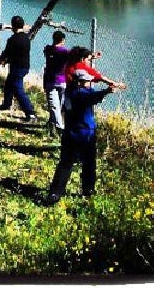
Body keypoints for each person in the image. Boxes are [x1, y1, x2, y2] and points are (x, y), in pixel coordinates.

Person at [45, 69, 125, 205]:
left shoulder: (70, 91)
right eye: (87, 81)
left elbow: (92, 95)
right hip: (83, 134)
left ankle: (56, 192)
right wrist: (106, 91)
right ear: (79, 82)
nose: (89, 83)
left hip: (73, 133)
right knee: (82, 163)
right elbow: (91, 97)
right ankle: (85, 190)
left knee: (69, 163)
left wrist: (107, 89)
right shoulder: (78, 94)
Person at [0, 15, 37, 121]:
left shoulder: (13, 39)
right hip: (24, 66)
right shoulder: (26, 38)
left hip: (17, 68)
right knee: (8, 85)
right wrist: (8, 60)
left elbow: (5, 54)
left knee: (18, 90)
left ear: (12, 26)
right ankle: (6, 104)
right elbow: (18, 53)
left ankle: (30, 113)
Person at [43, 30, 70, 137]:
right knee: (57, 106)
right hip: (62, 82)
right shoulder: (65, 52)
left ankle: (52, 128)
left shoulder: (48, 49)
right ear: (63, 40)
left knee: (54, 107)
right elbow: (77, 56)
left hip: (50, 81)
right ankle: (60, 127)